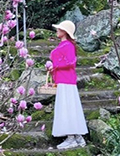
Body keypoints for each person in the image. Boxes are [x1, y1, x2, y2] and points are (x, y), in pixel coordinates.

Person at [48, 20, 88, 150]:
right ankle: (76, 137)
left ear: (65, 31)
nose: (57, 31)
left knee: (67, 107)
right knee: (69, 107)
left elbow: (71, 62)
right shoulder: (65, 45)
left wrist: (56, 66)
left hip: (66, 79)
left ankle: (72, 137)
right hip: (63, 79)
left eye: (60, 29)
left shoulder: (68, 45)